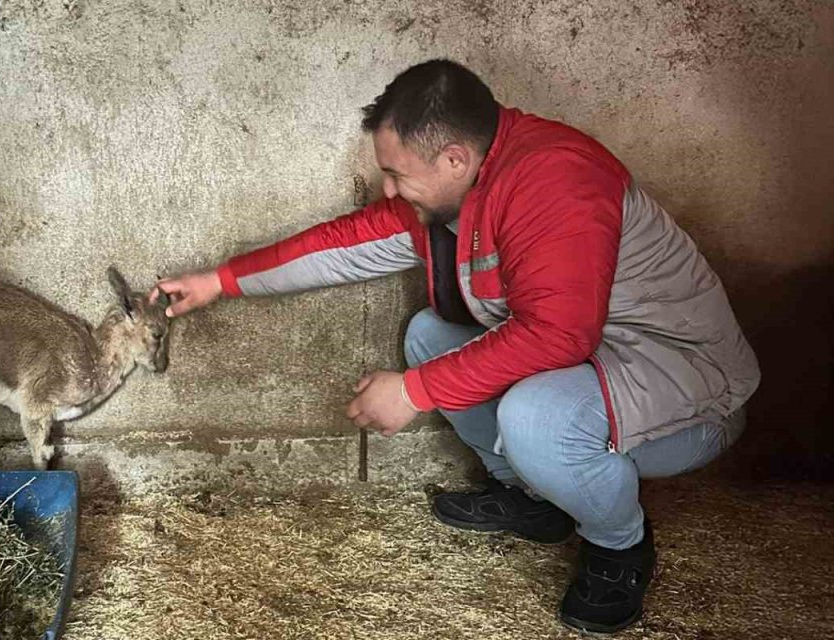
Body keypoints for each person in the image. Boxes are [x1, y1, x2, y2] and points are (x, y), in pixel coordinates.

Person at [149, 59, 760, 634]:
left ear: (453, 157)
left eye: (396, 174)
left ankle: (618, 545)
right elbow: (345, 244)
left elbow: (558, 333)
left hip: (689, 394)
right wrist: (219, 281)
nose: (388, 191)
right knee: (428, 335)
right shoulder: (459, 191)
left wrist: (415, 391)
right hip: (592, 370)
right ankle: (534, 501)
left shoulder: (556, 177)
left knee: (535, 417)